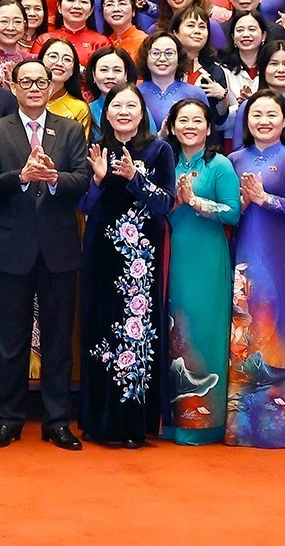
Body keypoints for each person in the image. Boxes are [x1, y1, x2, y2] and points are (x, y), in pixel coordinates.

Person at [0, 58, 91, 450]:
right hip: (12, 248)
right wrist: (22, 178)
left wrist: (55, 179)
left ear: (50, 87)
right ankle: (9, 418)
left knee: (59, 340)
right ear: (13, 86)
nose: (33, 88)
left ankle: (57, 420)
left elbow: (82, 180)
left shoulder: (70, 129)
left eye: (40, 82)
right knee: (10, 340)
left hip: (59, 247)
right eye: (25, 81)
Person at [78, 85, 174, 448]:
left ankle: (131, 425)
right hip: (101, 253)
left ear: (142, 112)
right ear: (106, 111)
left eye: (131, 105)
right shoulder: (96, 147)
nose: (123, 111)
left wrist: (135, 178)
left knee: (135, 337)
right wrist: (101, 180)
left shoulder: (159, 149)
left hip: (139, 260)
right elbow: (84, 205)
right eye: (117, 105)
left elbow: (165, 203)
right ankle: (96, 421)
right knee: (99, 329)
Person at [226, 89, 285, 448]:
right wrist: (243, 202)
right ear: (245, 121)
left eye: (271, 114)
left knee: (281, 327)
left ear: (284, 120)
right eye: (255, 115)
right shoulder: (234, 159)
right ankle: (244, 425)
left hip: (282, 257)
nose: (263, 121)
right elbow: (231, 209)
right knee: (245, 327)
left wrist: (267, 200)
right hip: (246, 254)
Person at [161, 98, 241, 444]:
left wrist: (196, 202)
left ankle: (204, 422)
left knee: (207, 331)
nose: (190, 126)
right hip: (172, 254)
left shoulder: (220, 165)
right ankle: (172, 420)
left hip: (208, 257)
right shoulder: (165, 162)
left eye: (198, 120)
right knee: (176, 330)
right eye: (183, 120)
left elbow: (232, 213)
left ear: (209, 129)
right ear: (172, 127)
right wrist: (176, 203)